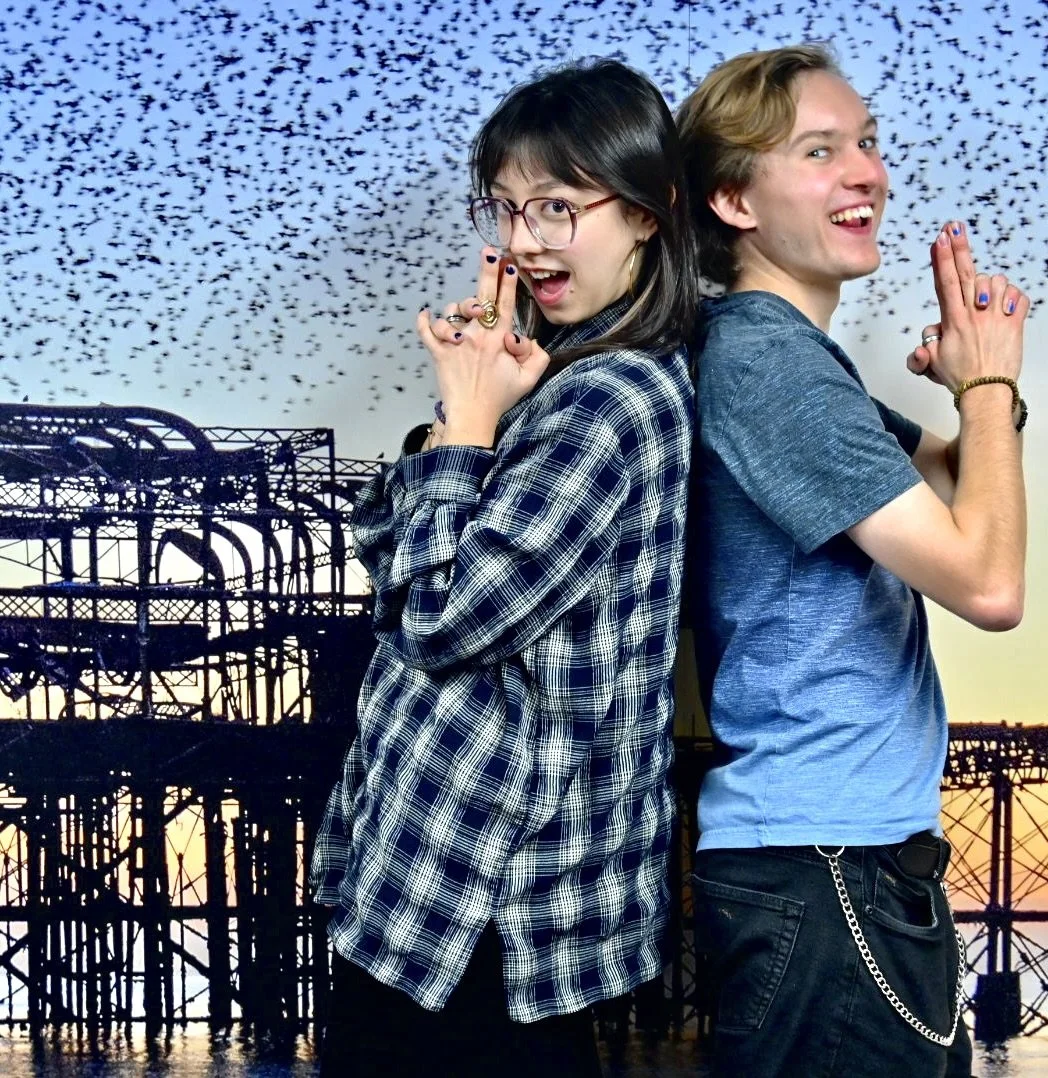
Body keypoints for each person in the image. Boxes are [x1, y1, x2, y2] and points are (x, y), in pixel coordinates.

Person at [310, 58, 698, 1076]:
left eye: (560, 208)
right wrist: (473, 420)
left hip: (478, 898)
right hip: (445, 882)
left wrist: (469, 422)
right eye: (510, 208)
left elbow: (435, 618)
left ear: (652, 212)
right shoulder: (556, 384)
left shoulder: (607, 402)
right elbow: (399, 572)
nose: (524, 241)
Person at [676, 45, 1030, 1077]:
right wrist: (987, 389)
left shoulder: (790, 365)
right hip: (828, 869)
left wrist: (983, 389)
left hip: (837, 863)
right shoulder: (767, 365)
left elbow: (966, 474)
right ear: (735, 198)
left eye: (868, 144)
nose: (868, 173)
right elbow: (989, 581)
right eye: (821, 151)